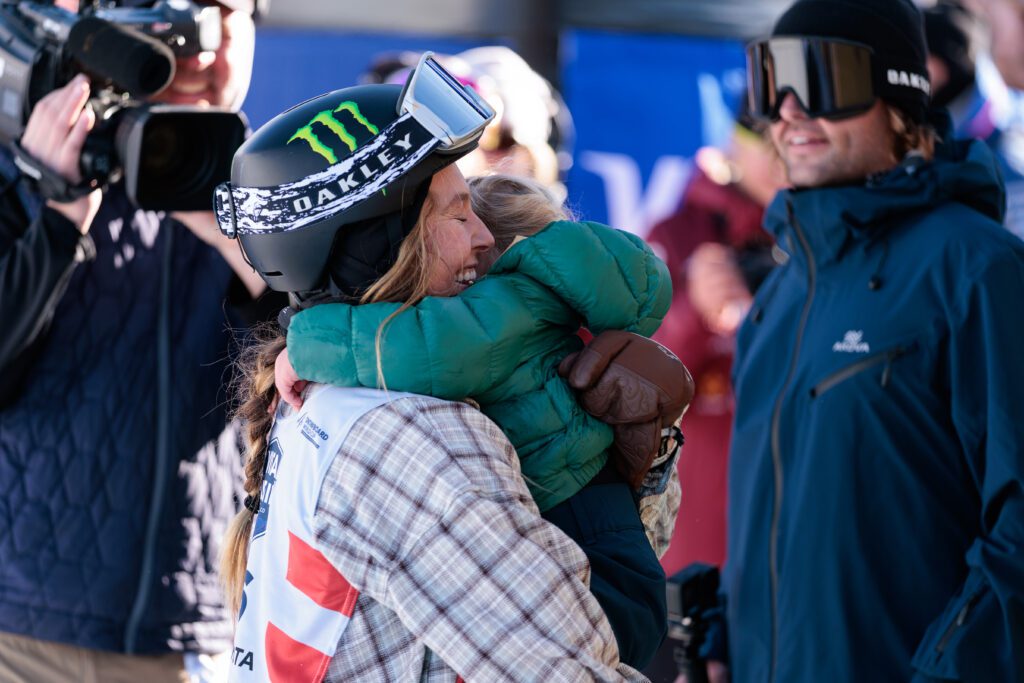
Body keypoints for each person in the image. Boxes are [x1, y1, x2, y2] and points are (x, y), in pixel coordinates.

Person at [215, 56, 687, 681]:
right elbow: (573, 666)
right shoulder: (420, 436)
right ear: (384, 243)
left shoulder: (322, 393)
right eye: (458, 212)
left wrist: (639, 464)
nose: (486, 239)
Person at [274, 172, 692, 668]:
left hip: (577, 527)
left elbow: (419, 346)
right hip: (602, 527)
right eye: (458, 217)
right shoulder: (559, 305)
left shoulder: (505, 311)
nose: (475, 237)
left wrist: (305, 346)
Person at [725, 0, 1024, 681]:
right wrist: (723, 632)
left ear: (899, 99)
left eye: (822, 77)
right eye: (772, 80)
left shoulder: (976, 268)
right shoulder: (780, 296)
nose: (790, 110)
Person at [0, 1, 268, 681]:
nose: (201, 51)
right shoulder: (27, 160)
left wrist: (236, 229)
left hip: (189, 631)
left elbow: (317, 378)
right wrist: (58, 215)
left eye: (224, 15)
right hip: (18, 624)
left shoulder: (276, 186)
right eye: (170, 20)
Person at [645, 105, 784, 575]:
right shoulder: (679, 235)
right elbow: (638, 383)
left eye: (796, 135)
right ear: (737, 141)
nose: (782, 153)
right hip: (703, 522)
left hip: (797, 514)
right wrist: (695, 313)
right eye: (766, 137)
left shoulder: (827, 240)